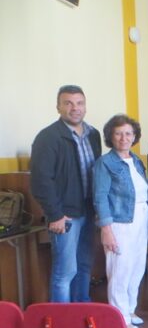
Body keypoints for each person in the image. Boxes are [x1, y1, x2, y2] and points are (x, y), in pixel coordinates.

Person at [30, 85, 102, 303]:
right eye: (68, 103)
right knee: (64, 273)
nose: (75, 108)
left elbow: (98, 172)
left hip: (89, 211)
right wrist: (55, 215)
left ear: (85, 106)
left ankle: (81, 311)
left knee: (84, 266)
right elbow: (41, 181)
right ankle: (61, 320)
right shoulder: (48, 137)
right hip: (65, 216)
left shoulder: (93, 135)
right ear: (58, 107)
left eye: (79, 103)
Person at [93, 114, 148, 328]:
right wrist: (106, 229)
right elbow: (100, 197)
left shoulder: (135, 160)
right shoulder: (105, 163)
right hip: (119, 221)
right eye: (118, 134)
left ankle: (130, 309)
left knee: (137, 267)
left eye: (128, 133)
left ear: (134, 136)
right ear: (111, 137)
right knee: (120, 270)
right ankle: (121, 319)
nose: (124, 138)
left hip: (140, 216)